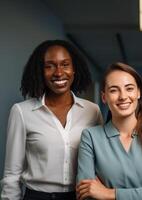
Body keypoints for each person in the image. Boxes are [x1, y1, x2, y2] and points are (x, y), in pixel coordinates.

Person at [1, 40, 102, 200]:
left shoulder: (92, 111)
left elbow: (101, 162)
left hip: (80, 197)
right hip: (37, 196)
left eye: (65, 64)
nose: (59, 72)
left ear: (74, 69)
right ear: (40, 71)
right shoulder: (22, 112)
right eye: (49, 66)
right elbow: (12, 174)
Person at [76, 62, 142, 200]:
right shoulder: (90, 137)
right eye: (114, 90)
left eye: (129, 88)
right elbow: (85, 195)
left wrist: (108, 193)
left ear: (138, 92)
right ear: (104, 97)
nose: (123, 96)